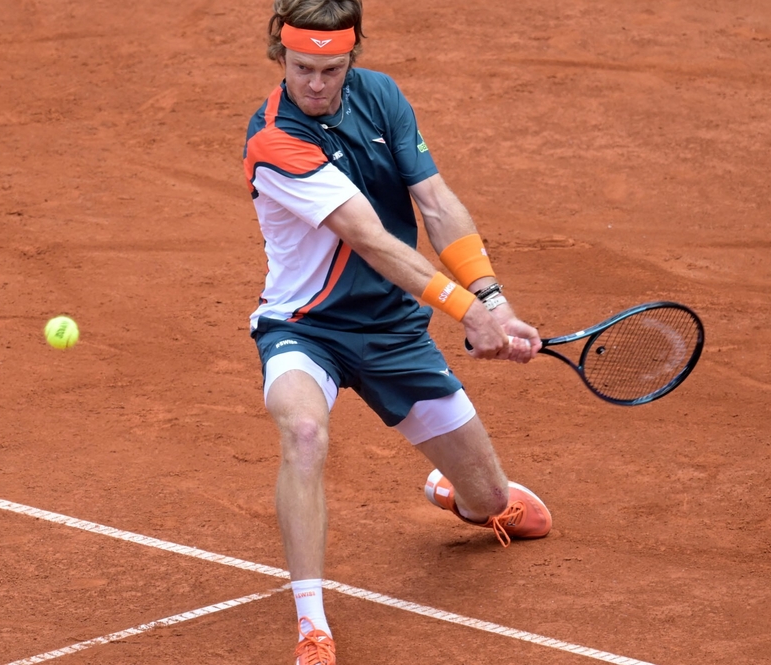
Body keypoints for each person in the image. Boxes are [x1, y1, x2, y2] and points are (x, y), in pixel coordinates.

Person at [242, 1, 551, 662]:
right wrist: (468, 313)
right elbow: (371, 239)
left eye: (331, 69)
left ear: (351, 59)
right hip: (307, 329)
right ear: (280, 55)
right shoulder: (273, 140)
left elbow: (435, 201)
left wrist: (493, 299)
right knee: (303, 433)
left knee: (502, 507)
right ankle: (312, 625)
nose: (316, 84)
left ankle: (457, 492)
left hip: (393, 333)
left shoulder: (380, 96)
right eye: (302, 69)